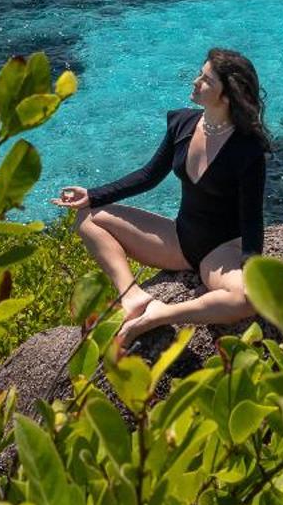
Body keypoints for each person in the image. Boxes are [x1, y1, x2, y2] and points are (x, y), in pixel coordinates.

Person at [52, 48, 270, 350]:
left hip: (219, 252)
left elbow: (252, 220)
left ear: (227, 96)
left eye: (206, 80)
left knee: (245, 299)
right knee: (88, 217)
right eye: (200, 74)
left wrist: (251, 268)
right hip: (178, 240)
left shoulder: (248, 150)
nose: (195, 82)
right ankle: (132, 295)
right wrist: (92, 194)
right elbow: (148, 176)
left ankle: (160, 314)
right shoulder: (182, 123)